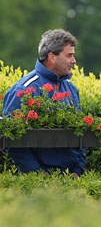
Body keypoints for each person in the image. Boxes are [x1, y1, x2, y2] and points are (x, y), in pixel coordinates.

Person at [2, 29, 85, 177]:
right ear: (52, 57)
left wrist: (78, 170)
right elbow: (12, 139)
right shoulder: (23, 90)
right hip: (38, 185)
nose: (74, 61)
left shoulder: (72, 89)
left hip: (72, 179)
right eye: (69, 55)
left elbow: (81, 132)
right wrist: (38, 174)